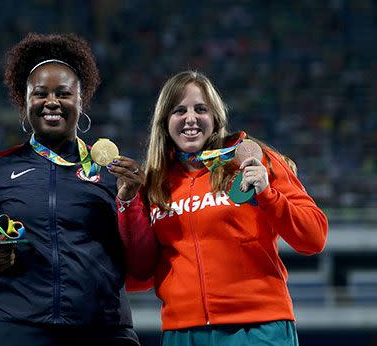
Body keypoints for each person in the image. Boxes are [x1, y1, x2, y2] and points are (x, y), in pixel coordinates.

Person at [111, 70, 328, 346]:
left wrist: (267, 193)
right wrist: (128, 206)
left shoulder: (252, 160)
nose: (190, 118)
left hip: (259, 328)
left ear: (215, 118)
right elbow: (139, 277)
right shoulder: (154, 183)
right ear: (164, 122)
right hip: (183, 332)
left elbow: (314, 237)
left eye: (200, 109)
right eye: (179, 110)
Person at [0, 33, 140, 346]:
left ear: (81, 101)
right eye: (40, 93)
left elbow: (139, 265)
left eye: (64, 93)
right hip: (13, 326)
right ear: (24, 101)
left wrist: (133, 202)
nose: (52, 102)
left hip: (99, 328)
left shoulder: (114, 175)